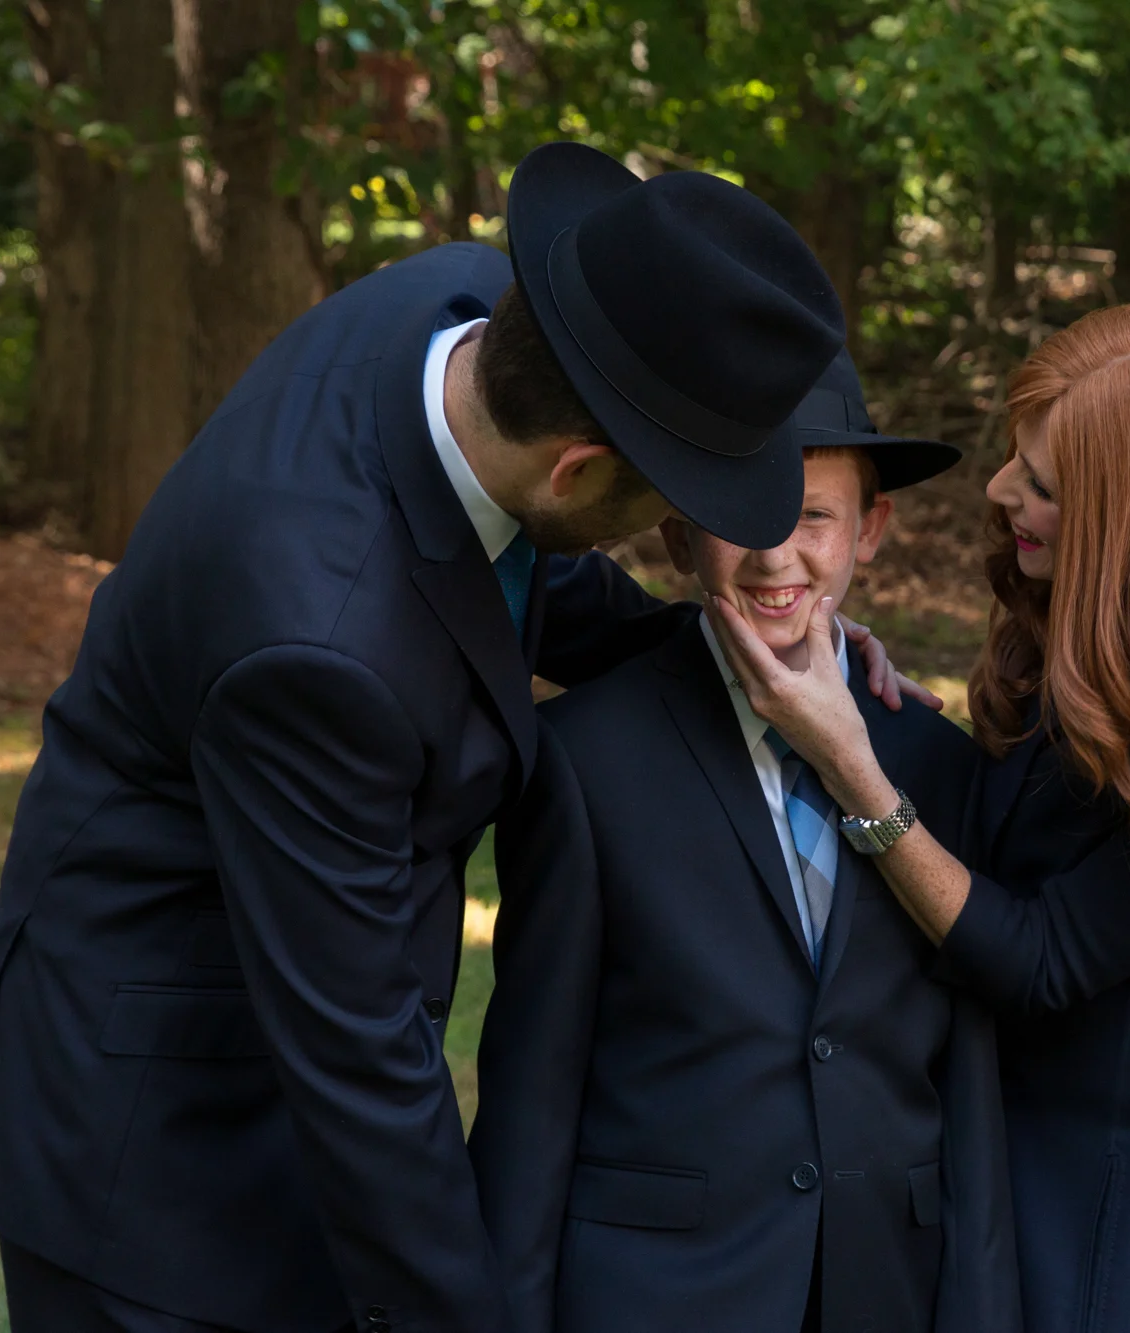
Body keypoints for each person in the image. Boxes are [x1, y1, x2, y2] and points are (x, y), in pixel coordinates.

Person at [0, 141, 929, 1333]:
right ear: (576, 469)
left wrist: (759, 658)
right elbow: (359, 1061)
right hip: (159, 1136)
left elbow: (523, 570)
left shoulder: (464, 315)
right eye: (662, 502)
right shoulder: (318, 647)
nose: (673, 530)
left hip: (288, 1001)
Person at [714, 300, 1130, 1332]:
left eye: (1041, 485)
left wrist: (855, 769)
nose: (998, 492)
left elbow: (1036, 957)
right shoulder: (1090, 611)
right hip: (1023, 1099)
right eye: (1015, 461)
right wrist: (841, 660)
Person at [469, 350, 1018, 1333]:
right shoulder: (585, 762)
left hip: (883, 1284)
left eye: (812, 516)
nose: (775, 556)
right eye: (739, 513)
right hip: (657, 1294)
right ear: (678, 533)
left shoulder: (940, 767)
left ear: (870, 529)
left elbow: (968, 1091)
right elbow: (532, 1094)